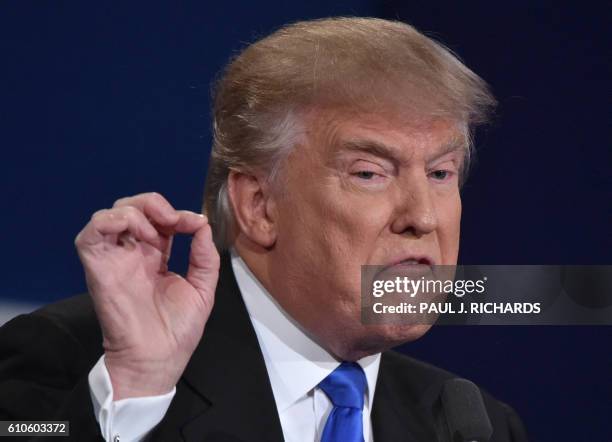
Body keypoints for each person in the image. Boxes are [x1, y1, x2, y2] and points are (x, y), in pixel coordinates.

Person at [0, 17, 528, 441]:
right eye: (369, 173)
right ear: (260, 206)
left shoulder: (468, 422)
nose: (424, 216)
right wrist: (135, 392)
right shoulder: (78, 359)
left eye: (440, 173)